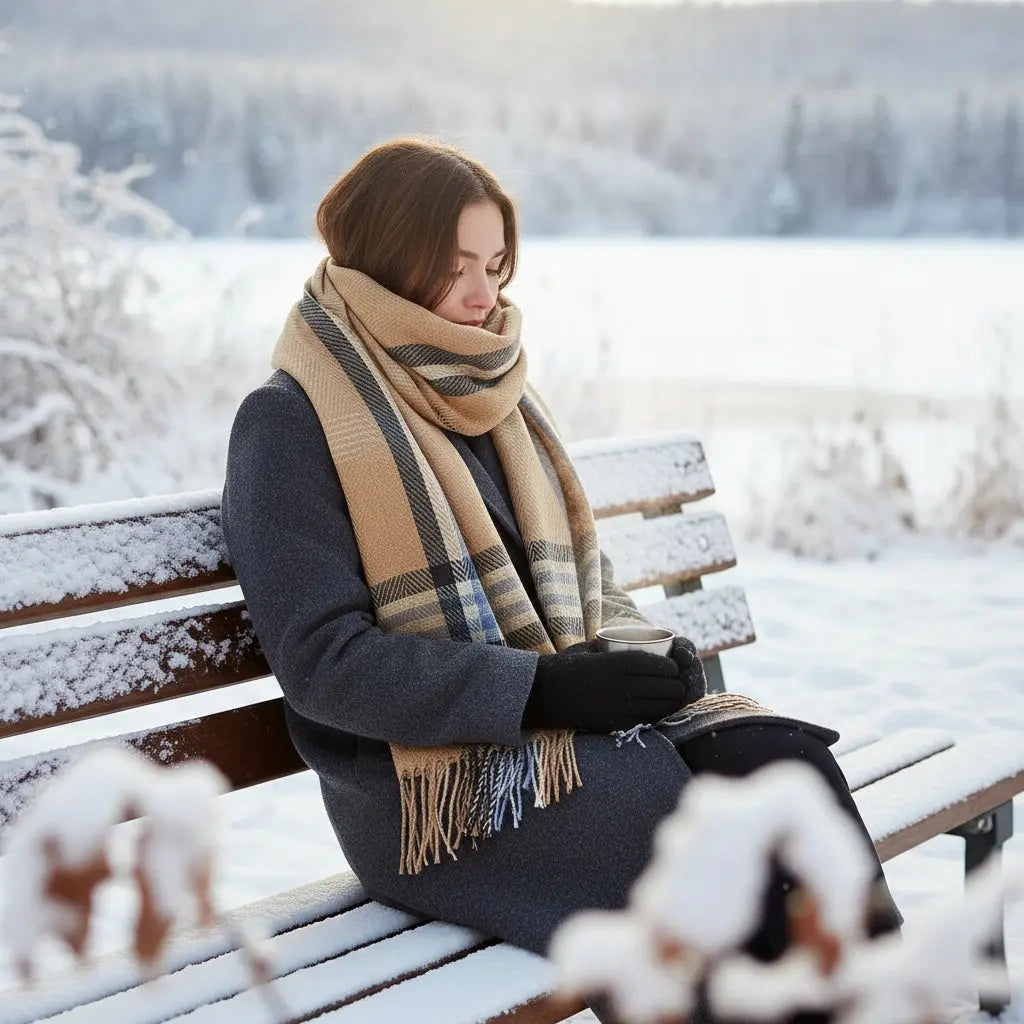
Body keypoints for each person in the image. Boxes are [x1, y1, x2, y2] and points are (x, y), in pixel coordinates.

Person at [222, 137, 900, 1024]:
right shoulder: (289, 422)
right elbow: (326, 664)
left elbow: (585, 582)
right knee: (673, 821)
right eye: (454, 267)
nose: (483, 294)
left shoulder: (494, 396)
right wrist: (541, 690)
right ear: (386, 257)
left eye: (494, 265)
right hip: (425, 795)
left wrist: (641, 655)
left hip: (552, 738)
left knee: (783, 765)